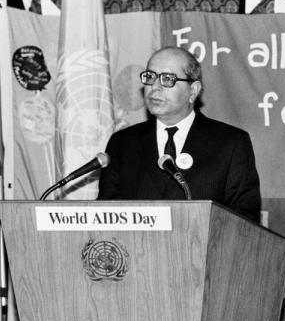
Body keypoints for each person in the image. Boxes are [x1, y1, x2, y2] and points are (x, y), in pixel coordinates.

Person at [97, 46, 261, 222]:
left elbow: (244, 221)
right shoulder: (122, 144)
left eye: (167, 79)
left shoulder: (230, 143)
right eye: (150, 77)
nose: (155, 87)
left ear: (193, 91)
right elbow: (105, 217)